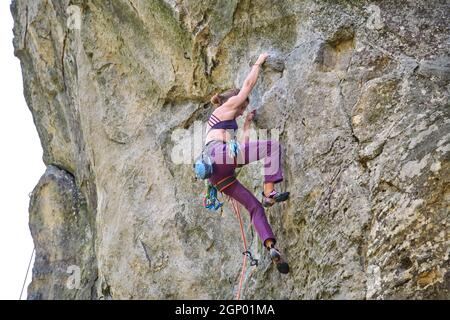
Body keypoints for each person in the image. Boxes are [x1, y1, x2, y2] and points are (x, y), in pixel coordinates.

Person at [204, 53, 290, 274]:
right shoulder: (225, 107)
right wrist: (259, 62)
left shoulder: (221, 124)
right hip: (220, 156)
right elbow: (247, 86)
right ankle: (269, 192)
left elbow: (239, 149)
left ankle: (271, 246)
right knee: (272, 146)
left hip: (216, 175)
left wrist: (247, 124)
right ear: (234, 102)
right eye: (242, 109)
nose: (242, 111)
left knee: (254, 207)